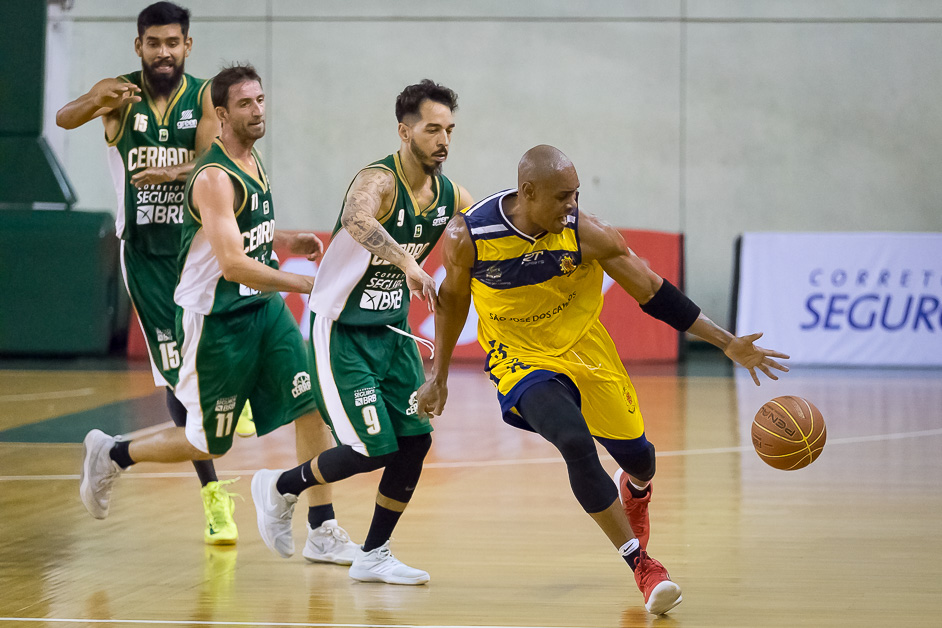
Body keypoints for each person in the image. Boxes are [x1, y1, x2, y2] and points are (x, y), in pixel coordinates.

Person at [415, 145, 789, 614]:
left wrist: (725, 341)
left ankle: (634, 488)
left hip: (587, 353)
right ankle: (643, 565)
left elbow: (652, 292)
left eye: (576, 194)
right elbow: (454, 303)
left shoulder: (587, 234)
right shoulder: (469, 236)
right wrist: (440, 376)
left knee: (642, 461)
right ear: (528, 192)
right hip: (520, 358)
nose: (572, 205)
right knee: (573, 440)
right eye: (562, 197)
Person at [78, 64, 358, 566]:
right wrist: (301, 281)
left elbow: (237, 232)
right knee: (206, 443)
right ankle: (113, 453)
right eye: (246, 104)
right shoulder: (212, 176)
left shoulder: (251, 160)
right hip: (217, 320)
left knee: (311, 404)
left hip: (263, 309)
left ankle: (323, 528)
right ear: (222, 115)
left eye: (261, 100)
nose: (258, 111)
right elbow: (230, 263)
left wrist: (283, 239)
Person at [251, 79, 473, 585]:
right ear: (404, 131)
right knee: (374, 447)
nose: (443, 140)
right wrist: (408, 263)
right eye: (432, 129)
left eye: (450, 130)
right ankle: (281, 486)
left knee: (414, 443)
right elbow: (356, 218)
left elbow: (484, 228)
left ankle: (374, 553)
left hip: (391, 333)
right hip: (342, 331)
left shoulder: (450, 193)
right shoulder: (379, 179)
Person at [55, 1, 258, 544]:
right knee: (176, 377)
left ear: (187, 46)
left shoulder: (203, 98)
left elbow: (215, 158)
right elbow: (63, 119)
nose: (163, 52)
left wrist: (176, 168)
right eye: (153, 43)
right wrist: (96, 100)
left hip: (197, 248)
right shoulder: (119, 94)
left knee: (221, 346)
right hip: (145, 254)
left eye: (173, 43)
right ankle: (213, 493)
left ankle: (226, 408)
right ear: (138, 46)